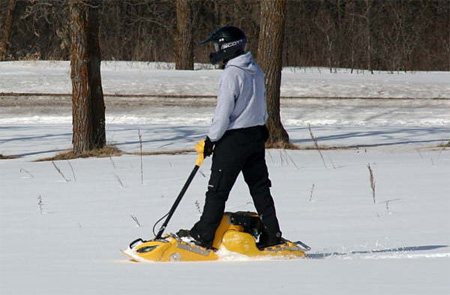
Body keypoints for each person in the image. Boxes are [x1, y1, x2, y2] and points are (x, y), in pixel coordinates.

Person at [183, 26, 283, 250]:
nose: (215, 50)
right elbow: (261, 103)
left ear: (228, 47)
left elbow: (223, 112)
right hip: (255, 136)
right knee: (260, 188)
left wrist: (211, 139)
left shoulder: (231, 73)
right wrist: (261, 125)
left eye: (217, 45)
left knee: (217, 190)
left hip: (233, 140)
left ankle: (203, 236)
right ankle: (273, 235)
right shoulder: (255, 69)